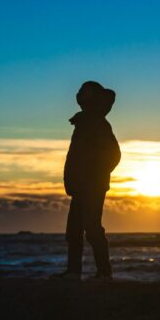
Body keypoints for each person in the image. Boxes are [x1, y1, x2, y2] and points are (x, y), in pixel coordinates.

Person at [51, 81, 121, 281]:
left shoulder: (98, 123)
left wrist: (96, 175)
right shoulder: (84, 122)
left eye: (84, 91)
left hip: (92, 186)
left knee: (92, 228)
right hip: (80, 186)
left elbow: (114, 154)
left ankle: (104, 273)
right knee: (74, 230)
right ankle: (74, 272)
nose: (79, 94)